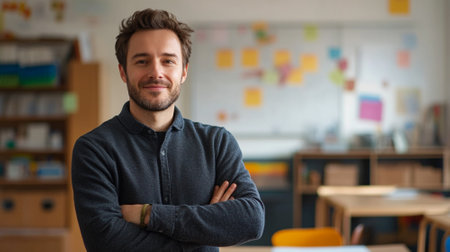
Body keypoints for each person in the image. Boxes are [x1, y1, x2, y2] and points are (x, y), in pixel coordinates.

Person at [71, 8, 265, 252]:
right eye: (142, 61)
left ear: (183, 71)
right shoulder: (94, 149)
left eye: (168, 60)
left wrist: (146, 215)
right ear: (123, 72)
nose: (156, 72)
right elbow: (105, 243)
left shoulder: (217, 143)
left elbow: (251, 221)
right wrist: (205, 229)